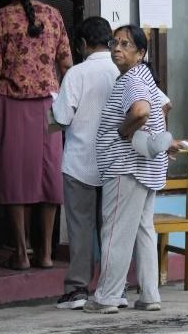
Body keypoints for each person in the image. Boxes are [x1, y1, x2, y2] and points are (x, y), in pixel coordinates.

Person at [0, 0, 73, 270]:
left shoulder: (1, 17)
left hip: (12, 103)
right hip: (50, 105)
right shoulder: (54, 16)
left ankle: (20, 254)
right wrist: (68, 105)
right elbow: (67, 64)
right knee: (49, 176)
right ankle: (45, 254)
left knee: (15, 175)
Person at [84, 25, 181, 314]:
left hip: (126, 168)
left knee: (115, 232)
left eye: (126, 45)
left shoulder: (131, 81)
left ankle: (107, 297)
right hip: (145, 167)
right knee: (143, 231)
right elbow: (164, 105)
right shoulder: (143, 77)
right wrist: (161, 138)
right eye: (115, 42)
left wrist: (123, 131)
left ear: (140, 52)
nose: (117, 48)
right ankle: (150, 295)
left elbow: (141, 111)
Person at [51, 17, 121, 310]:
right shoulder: (124, 70)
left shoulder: (76, 74)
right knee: (112, 229)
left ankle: (78, 290)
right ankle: (115, 289)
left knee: (80, 229)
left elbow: (62, 118)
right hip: (114, 162)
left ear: (82, 44)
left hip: (80, 161)